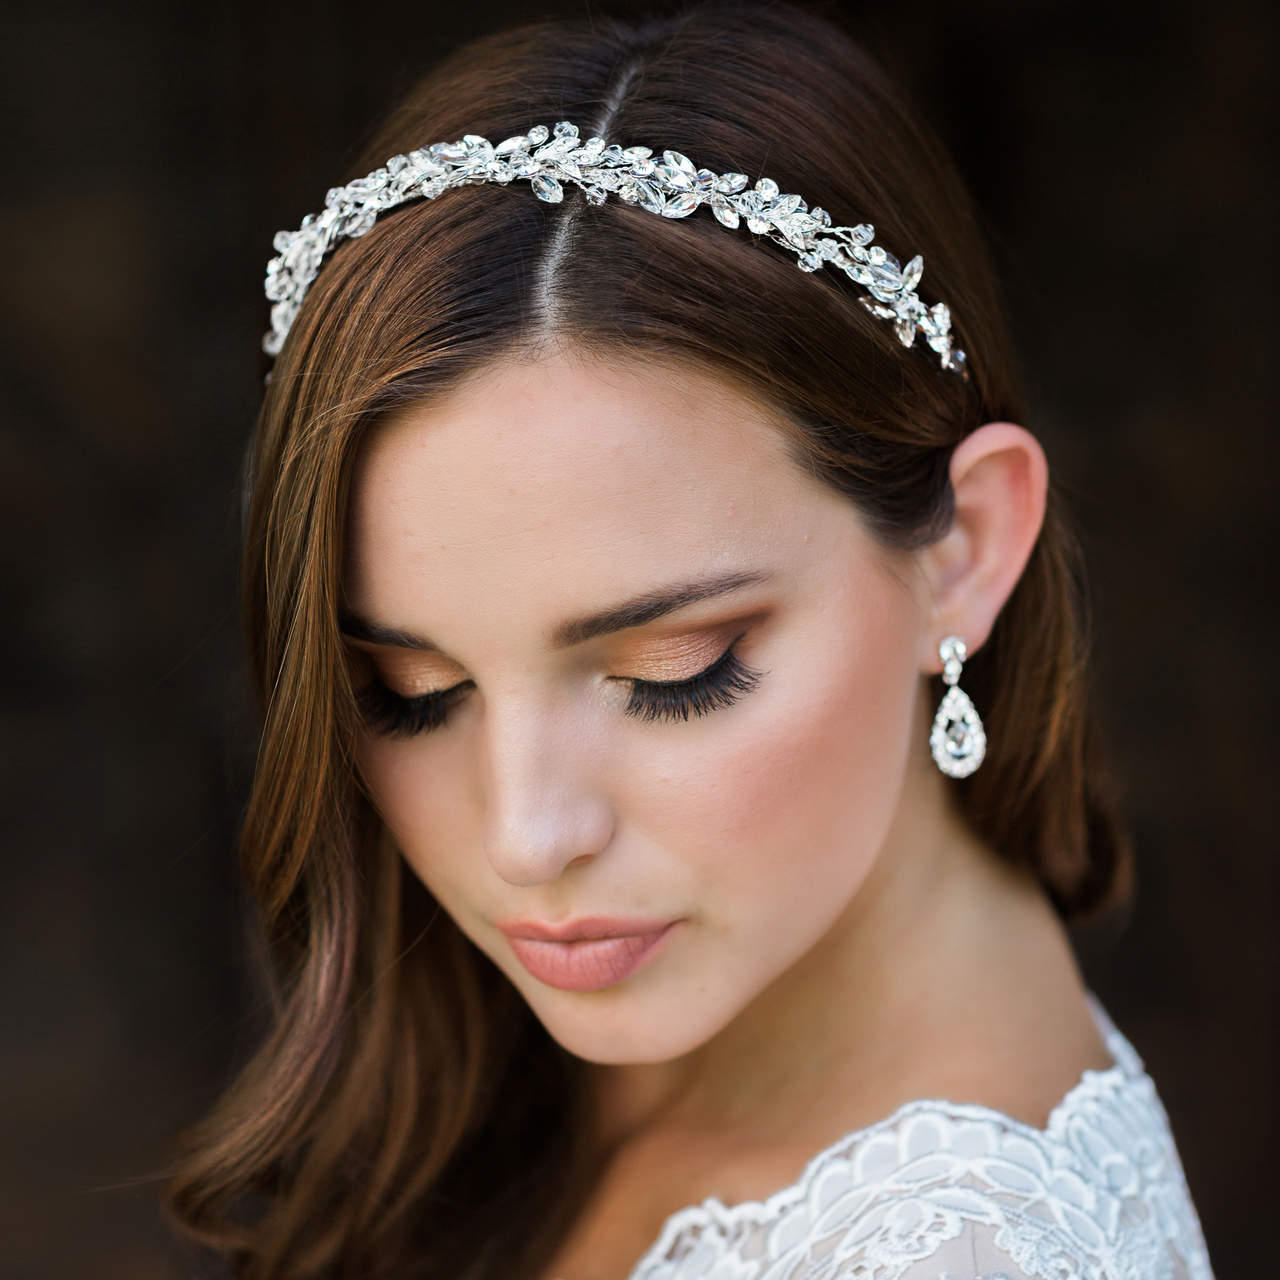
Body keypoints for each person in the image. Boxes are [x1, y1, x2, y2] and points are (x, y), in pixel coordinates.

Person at [166, 5, 1212, 1278]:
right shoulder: (574, 1039)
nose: (524, 837)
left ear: (964, 548)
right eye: (410, 689)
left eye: (674, 671)